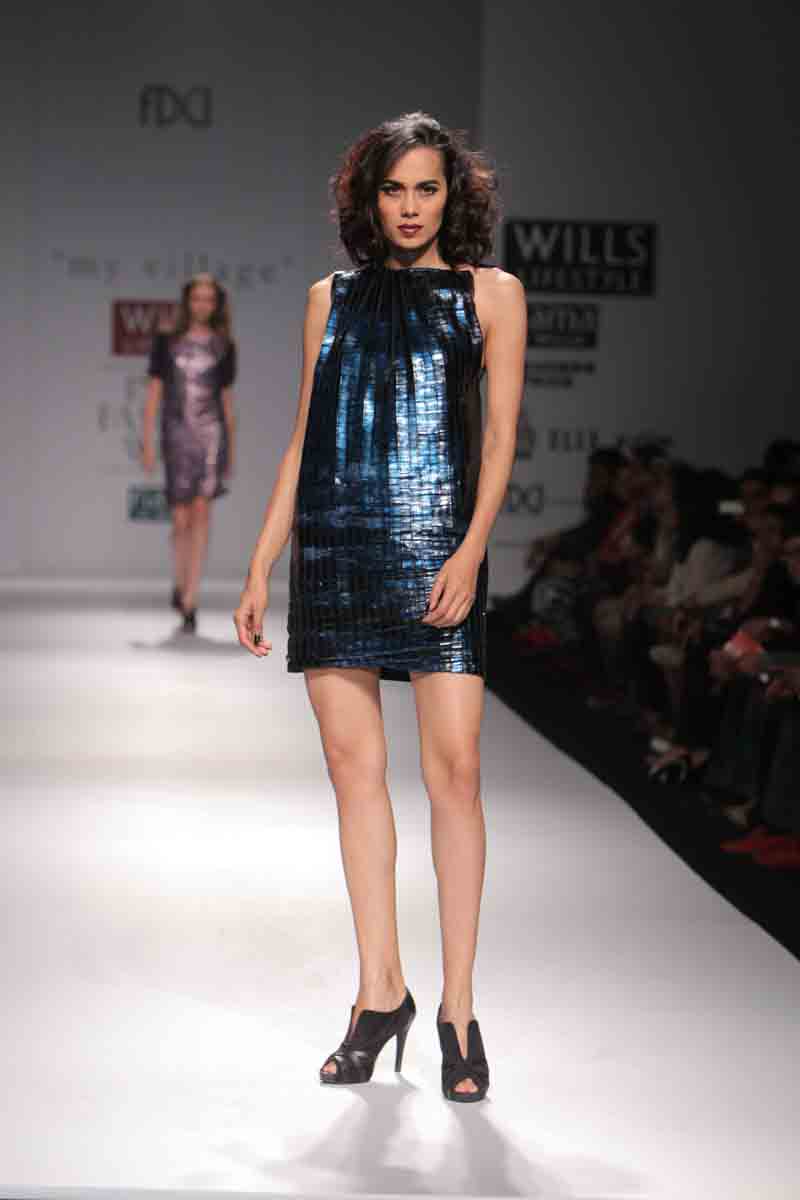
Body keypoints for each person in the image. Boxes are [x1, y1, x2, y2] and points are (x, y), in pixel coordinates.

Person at [233, 112, 526, 1101]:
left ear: (454, 195)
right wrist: (262, 562)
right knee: (352, 773)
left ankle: (457, 1011)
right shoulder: (330, 297)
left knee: (457, 773)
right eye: (393, 189)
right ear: (368, 197)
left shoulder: (491, 295)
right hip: (337, 549)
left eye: (426, 189)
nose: (409, 208)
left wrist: (471, 549)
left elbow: (499, 442)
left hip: (439, 544)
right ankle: (378, 994)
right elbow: (303, 437)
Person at [141, 274, 237, 633]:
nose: (202, 304)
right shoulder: (166, 342)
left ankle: (191, 599)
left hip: (211, 433)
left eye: (209, 299)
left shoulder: (225, 346)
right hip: (176, 433)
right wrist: (148, 443)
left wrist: (231, 448)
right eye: (197, 298)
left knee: (202, 514)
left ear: (216, 304)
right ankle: (180, 582)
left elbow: (226, 401)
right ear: (187, 301)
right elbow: (153, 395)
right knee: (180, 519)